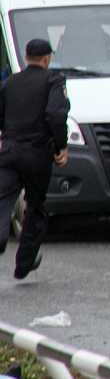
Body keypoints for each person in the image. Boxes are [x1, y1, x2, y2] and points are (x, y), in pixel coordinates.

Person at [0, 40, 69, 279]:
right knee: (35, 206)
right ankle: (24, 262)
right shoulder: (53, 81)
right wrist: (61, 145)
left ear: (27, 56)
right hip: (38, 154)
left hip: (8, 151)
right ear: (47, 58)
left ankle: (0, 237)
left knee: (3, 198)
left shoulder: (9, 83)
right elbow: (55, 114)